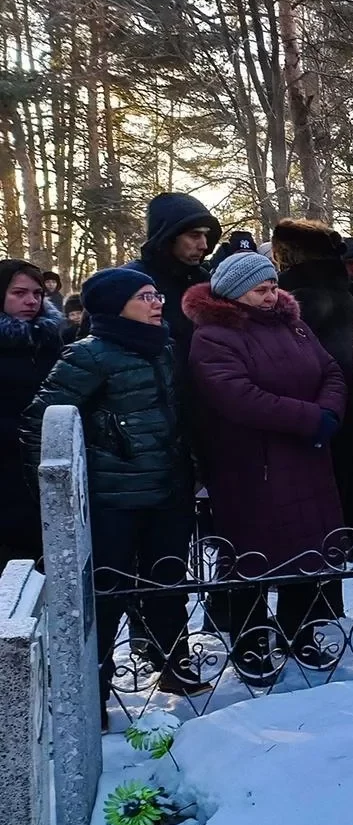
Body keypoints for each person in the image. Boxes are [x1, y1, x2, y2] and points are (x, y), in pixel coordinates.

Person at [23, 267, 210, 703]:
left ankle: (172, 664)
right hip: (113, 498)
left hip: (168, 489)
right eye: (144, 296)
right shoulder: (88, 355)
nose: (157, 302)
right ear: (114, 306)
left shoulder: (164, 346)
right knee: (105, 594)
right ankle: (93, 690)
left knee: (168, 584)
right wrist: (54, 497)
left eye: (156, 293)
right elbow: (41, 423)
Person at [185, 252, 347, 686]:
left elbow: (330, 369)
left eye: (274, 285)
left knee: (305, 546)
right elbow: (237, 396)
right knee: (251, 555)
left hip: (307, 454)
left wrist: (328, 410)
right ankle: (251, 639)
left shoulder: (291, 323)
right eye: (261, 288)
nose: (272, 294)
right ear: (235, 292)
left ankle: (301, 630)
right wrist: (309, 418)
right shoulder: (214, 336)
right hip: (252, 462)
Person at [274, 219, 353, 547]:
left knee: (325, 477)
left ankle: (333, 535)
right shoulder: (344, 296)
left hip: (317, 405)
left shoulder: (296, 298)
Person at [0, 260, 66, 567]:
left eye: (37, 293)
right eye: (19, 293)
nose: (31, 301)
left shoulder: (51, 340)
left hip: (49, 467)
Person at [125, 191, 223, 363]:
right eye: (194, 235)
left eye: (206, 235)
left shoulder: (206, 283)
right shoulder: (127, 282)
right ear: (168, 237)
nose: (204, 245)